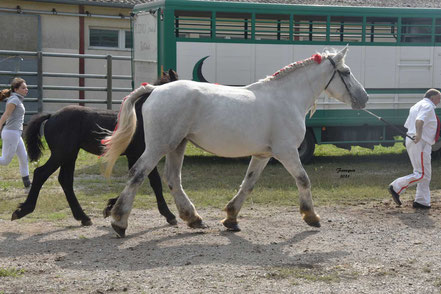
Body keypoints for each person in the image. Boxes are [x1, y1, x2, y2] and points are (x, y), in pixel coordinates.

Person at [389, 88, 441, 209]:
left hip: (414, 140)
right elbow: (419, 121)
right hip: (420, 142)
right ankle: (396, 187)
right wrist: (418, 135)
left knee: (425, 174)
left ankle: (421, 201)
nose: (439, 101)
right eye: (439, 98)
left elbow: (408, 124)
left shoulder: (416, 106)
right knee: (422, 174)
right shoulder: (428, 106)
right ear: (432, 97)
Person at [0, 77, 31, 188]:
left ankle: (28, 184)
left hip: (15, 133)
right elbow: (6, 115)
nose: (26, 89)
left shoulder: (17, 99)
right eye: (23, 88)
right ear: (16, 89)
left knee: (23, 158)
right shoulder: (14, 100)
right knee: (5, 161)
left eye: (26, 87)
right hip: (11, 133)